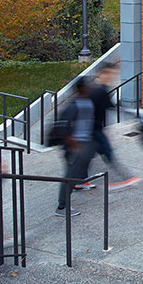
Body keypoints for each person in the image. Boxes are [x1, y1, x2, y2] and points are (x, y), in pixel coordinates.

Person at [86, 62, 141, 191]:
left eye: (113, 74)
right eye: (109, 73)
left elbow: (110, 107)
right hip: (94, 130)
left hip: (94, 129)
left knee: (89, 155)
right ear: (101, 74)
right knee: (108, 152)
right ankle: (124, 178)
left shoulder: (100, 89)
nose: (111, 76)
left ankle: (79, 180)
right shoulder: (98, 91)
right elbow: (110, 107)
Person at [55, 77, 98, 217]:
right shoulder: (73, 106)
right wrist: (74, 146)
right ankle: (62, 207)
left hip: (83, 143)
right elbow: (63, 128)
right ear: (81, 89)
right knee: (69, 175)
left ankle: (79, 183)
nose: (90, 88)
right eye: (87, 86)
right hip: (74, 146)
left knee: (81, 166)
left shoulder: (85, 102)